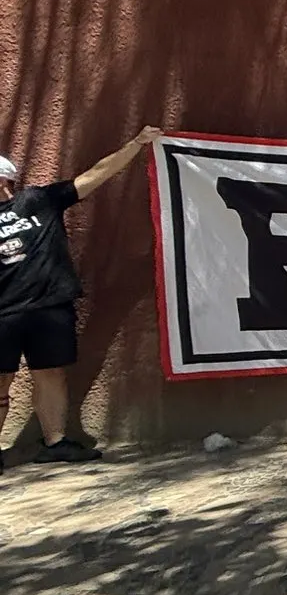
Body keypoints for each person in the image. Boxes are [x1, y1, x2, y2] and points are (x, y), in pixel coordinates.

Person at [0, 127, 164, 465]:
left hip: (49, 306)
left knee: (51, 373)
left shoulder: (38, 200)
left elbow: (94, 177)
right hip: (3, 313)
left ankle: (55, 441)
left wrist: (135, 145)